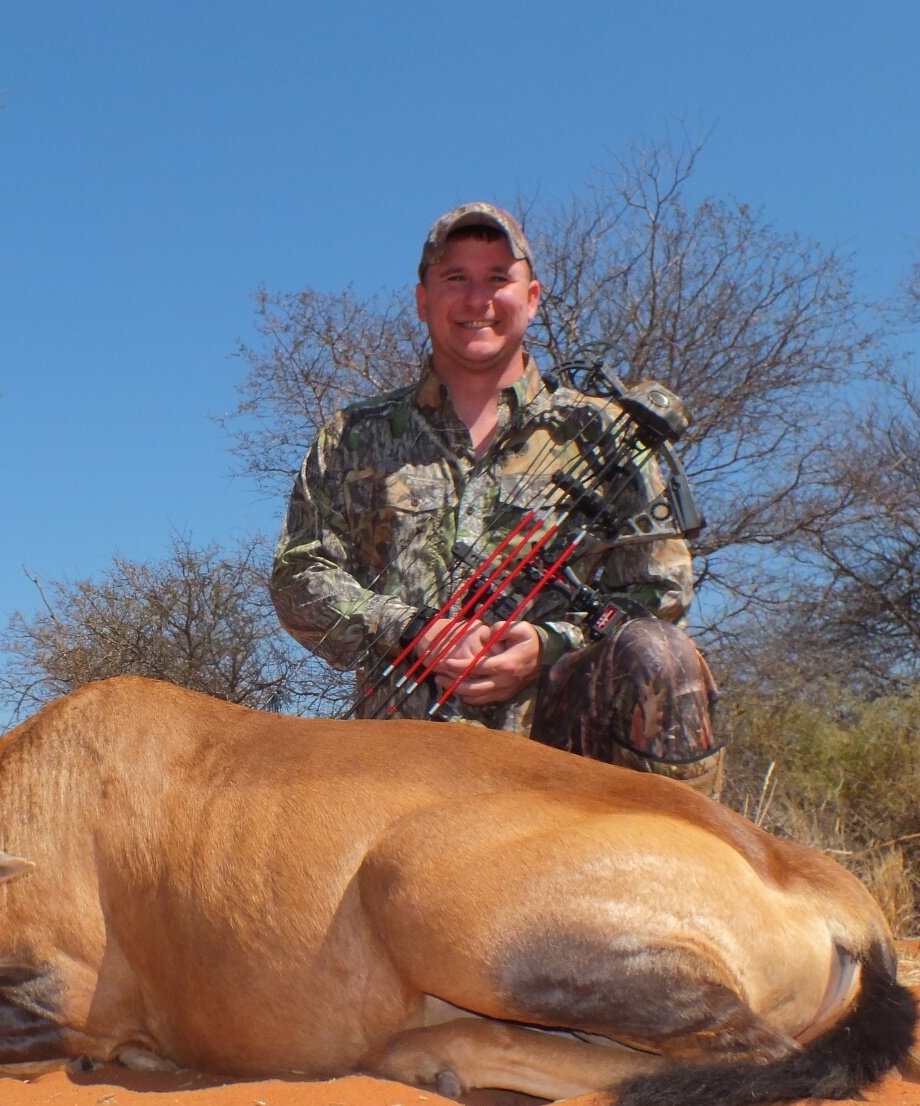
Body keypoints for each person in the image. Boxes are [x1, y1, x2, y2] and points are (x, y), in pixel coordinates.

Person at [269, 203, 725, 799]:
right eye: (455, 278)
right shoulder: (352, 436)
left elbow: (659, 591)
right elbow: (299, 575)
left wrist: (550, 644)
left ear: (532, 298)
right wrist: (408, 629)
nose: (477, 299)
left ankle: (683, 866)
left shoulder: (605, 434)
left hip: (563, 752)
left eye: (497, 279)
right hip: (400, 755)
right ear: (422, 300)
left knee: (663, 655)